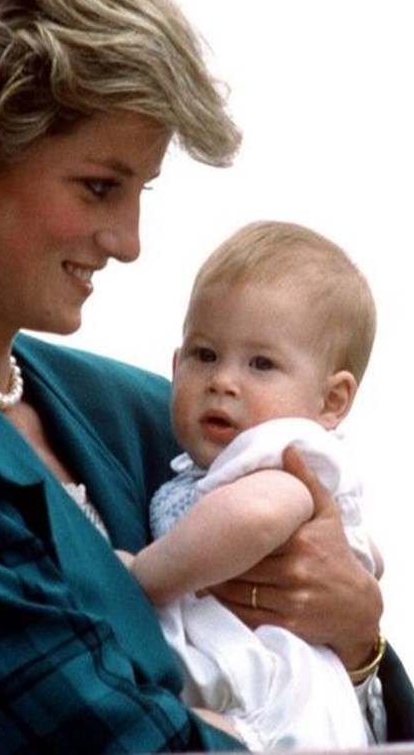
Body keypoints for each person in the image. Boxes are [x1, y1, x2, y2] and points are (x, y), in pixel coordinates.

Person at [0, 0, 414, 753]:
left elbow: (347, 694)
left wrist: (359, 643)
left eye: (139, 189)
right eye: (100, 186)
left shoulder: (145, 411)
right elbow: (84, 733)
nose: (129, 239)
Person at [125, 221, 392, 749]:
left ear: (331, 401)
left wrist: (138, 578)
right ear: (175, 365)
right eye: (204, 355)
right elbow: (370, 559)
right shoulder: (222, 465)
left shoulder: (283, 452)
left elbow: (256, 517)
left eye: (261, 364)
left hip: (272, 703)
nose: (223, 380)